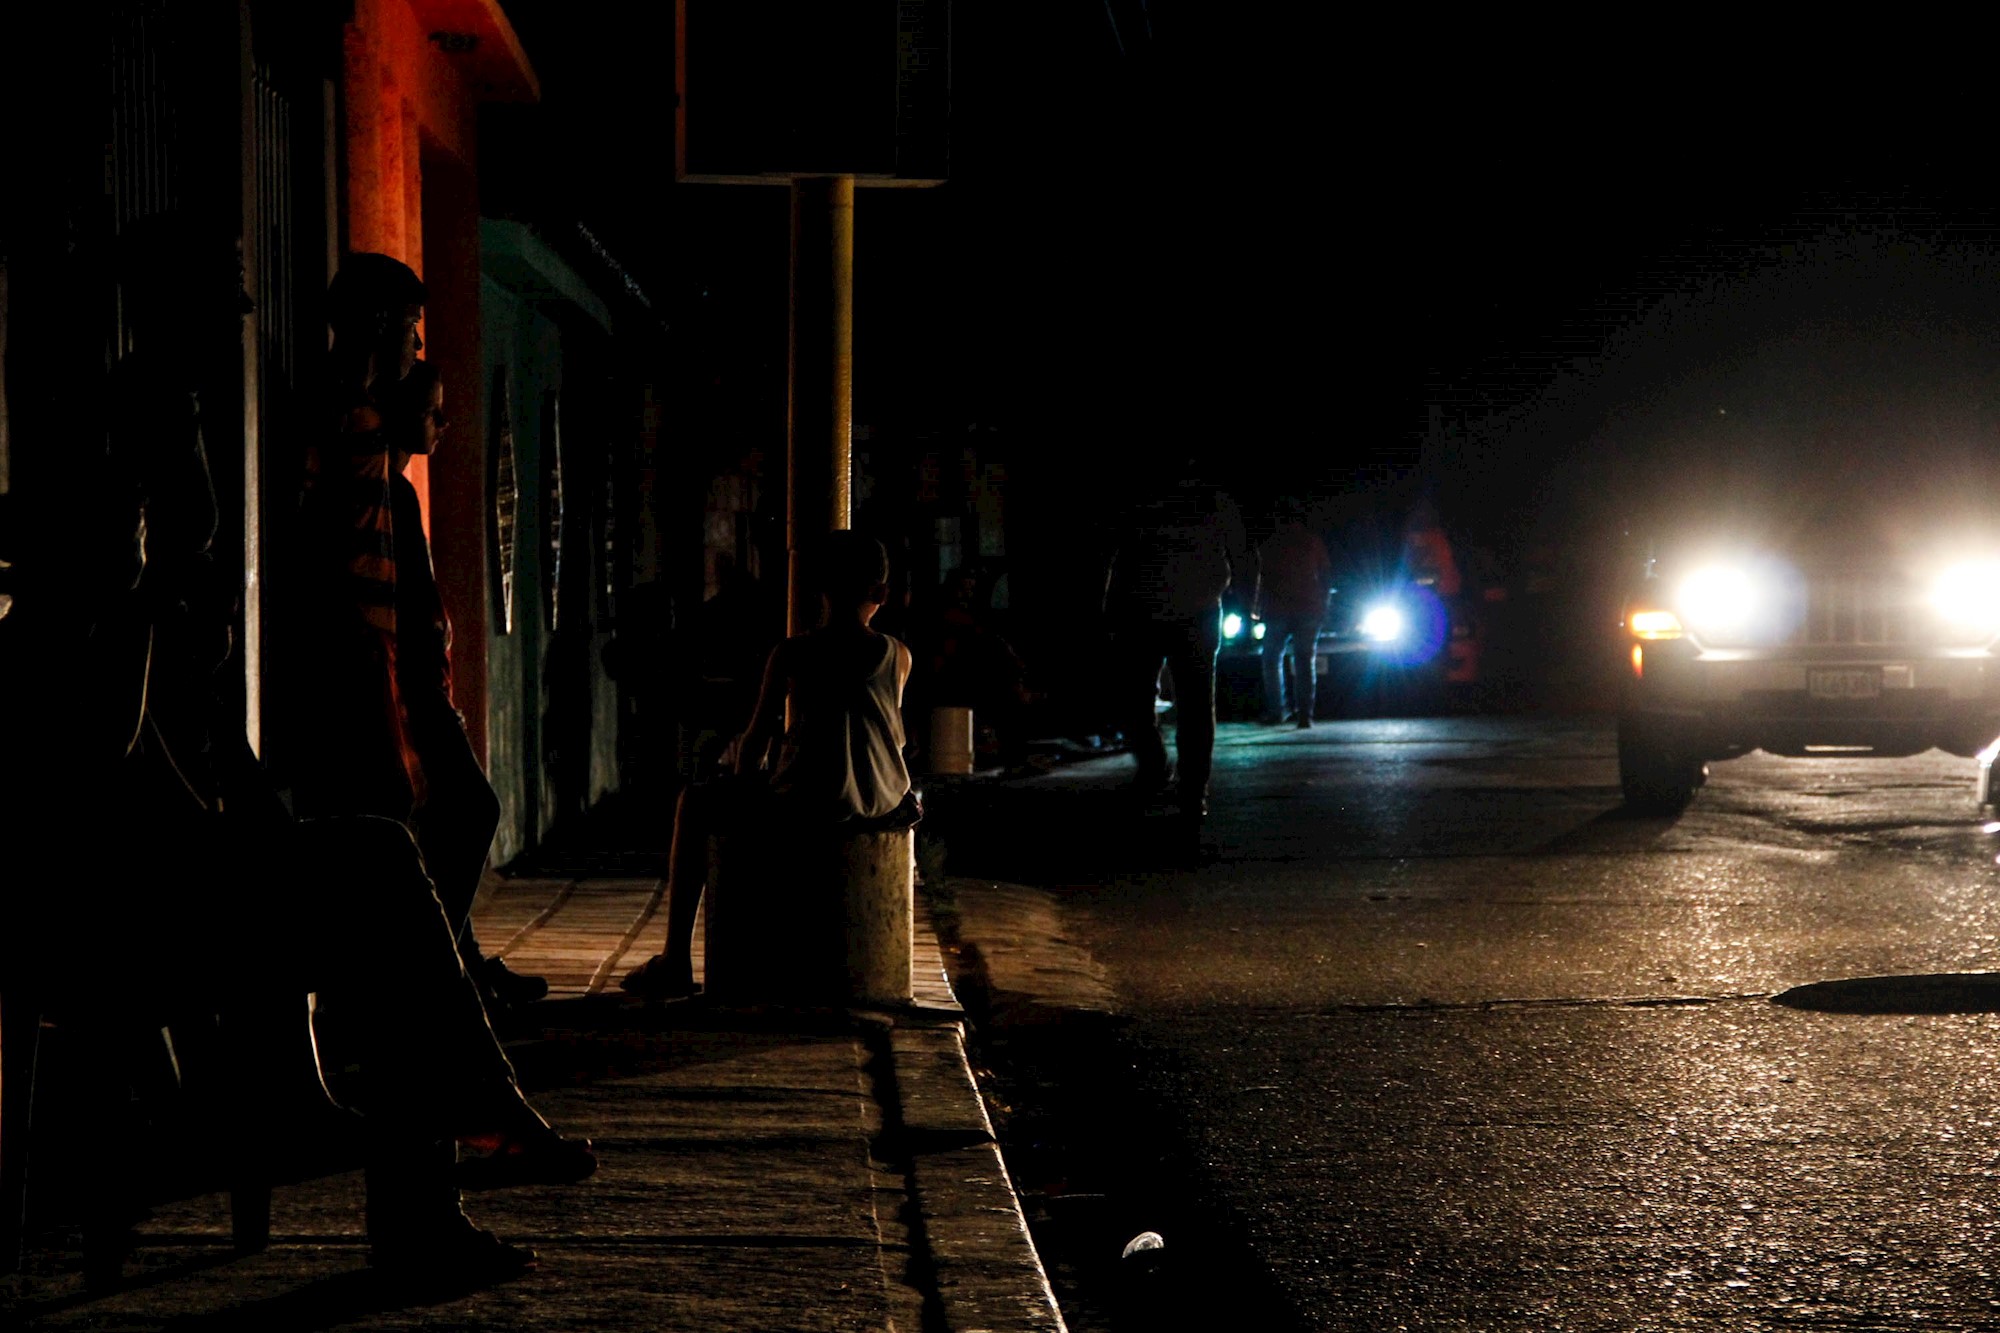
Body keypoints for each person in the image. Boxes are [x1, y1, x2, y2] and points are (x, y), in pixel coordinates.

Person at [285, 253, 546, 1017]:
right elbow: (337, 566)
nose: (418, 348)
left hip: (377, 664)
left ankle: (433, 969)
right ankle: (413, 980)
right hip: (358, 664)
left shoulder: (362, 420)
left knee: (417, 821)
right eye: (412, 330)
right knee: (416, 820)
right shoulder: (344, 413)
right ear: (379, 326)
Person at [622, 531, 918, 997]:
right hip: (881, 801)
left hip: (805, 799)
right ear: (880, 594)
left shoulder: (794, 653)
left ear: (817, 590)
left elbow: (757, 738)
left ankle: (675, 958)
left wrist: (743, 786)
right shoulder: (897, 655)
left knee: (695, 803)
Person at [1102, 459, 1257, 822]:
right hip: (1155, 612)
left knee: (1188, 705)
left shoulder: (1205, 500)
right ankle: (1166, 772)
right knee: (1162, 703)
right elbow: (1114, 554)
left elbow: (1244, 554)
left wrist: (1249, 606)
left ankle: (1187, 786)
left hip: (1184, 612)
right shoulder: (1149, 499)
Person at [1256, 506, 1333, 728]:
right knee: (1304, 661)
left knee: (1271, 659)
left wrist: (1258, 606)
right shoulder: (1312, 541)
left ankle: (1277, 711)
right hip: (1308, 608)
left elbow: (1263, 577)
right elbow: (1326, 574)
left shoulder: (1272, 544)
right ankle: (1304, 716)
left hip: (1278, 610)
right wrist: (1324, 604)